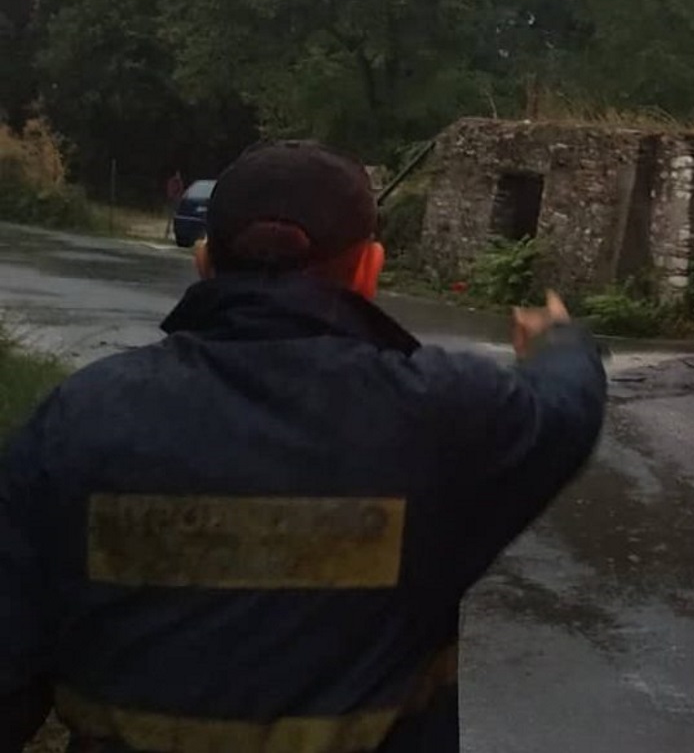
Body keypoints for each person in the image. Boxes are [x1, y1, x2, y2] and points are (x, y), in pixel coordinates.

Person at [0, 140, 607, 753]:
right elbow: (564, 412)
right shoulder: (440, 416)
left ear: (204, 262)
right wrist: (560, 343)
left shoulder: (76, 421)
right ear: (369, 272)